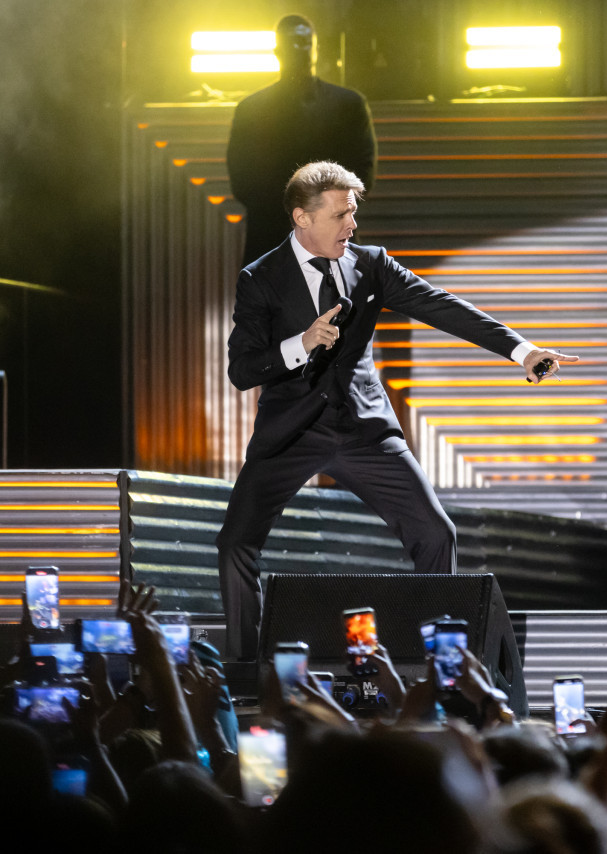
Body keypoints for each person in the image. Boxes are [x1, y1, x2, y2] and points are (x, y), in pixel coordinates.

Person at [216, 160, 577, 660]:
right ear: (302, 218)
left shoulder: (372, 264)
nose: (353, 224)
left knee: (435, 533)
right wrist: (300, 343)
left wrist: (522, 350)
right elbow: (242, 370)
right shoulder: (261, 279)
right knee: (235, 544)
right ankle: (245, 670)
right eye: (342, 214)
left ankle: (436, 667)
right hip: (292, 433)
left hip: (365, 430)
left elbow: (442, 305)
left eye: (354, 212)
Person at [226, 14, 376, 266]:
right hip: (304, 235)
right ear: (278, 50)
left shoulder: (252, 109)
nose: (301, 49)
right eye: (294, 42)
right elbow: (242, 178)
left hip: (273, 235)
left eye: (305, 42)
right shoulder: (346, 105)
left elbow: (362, 173)